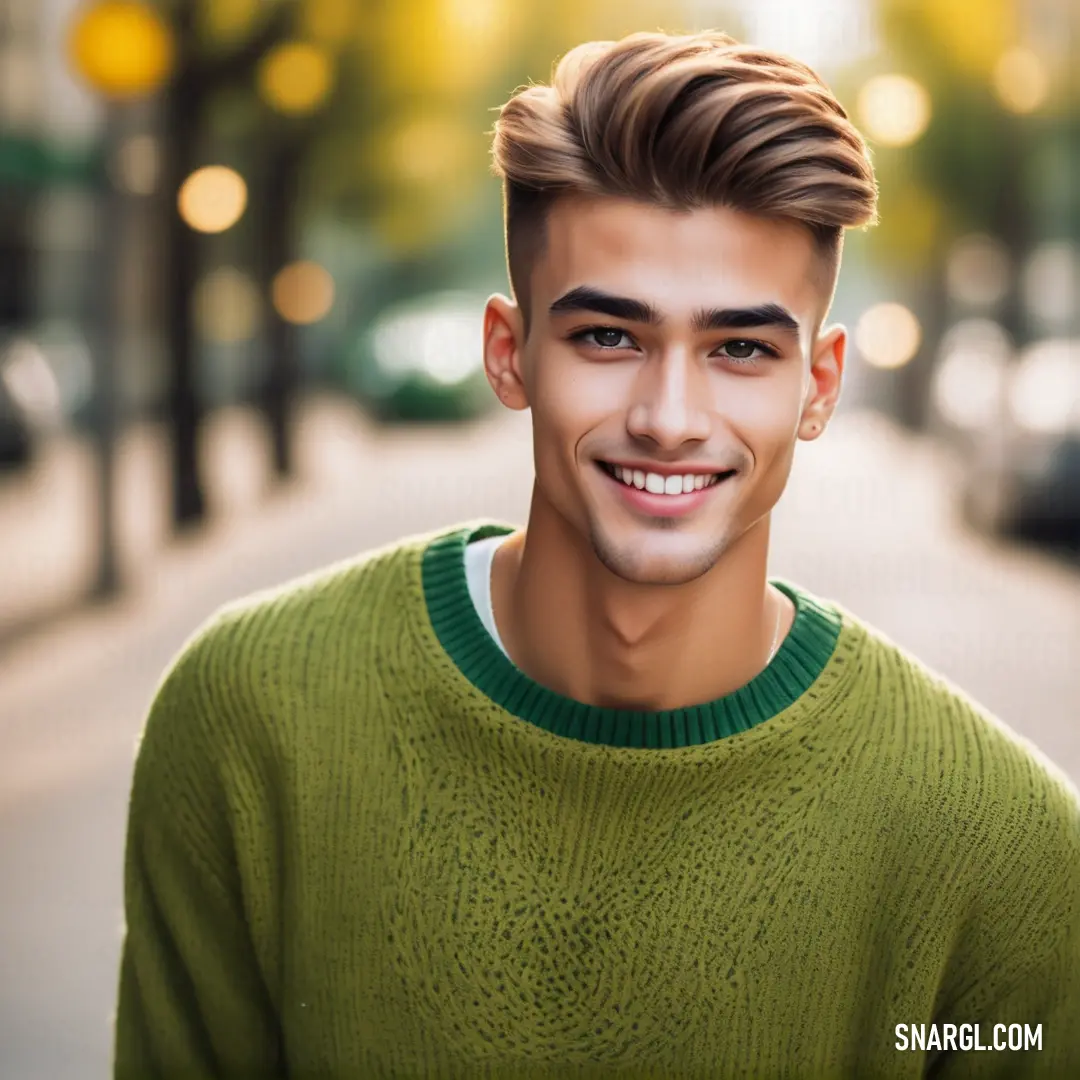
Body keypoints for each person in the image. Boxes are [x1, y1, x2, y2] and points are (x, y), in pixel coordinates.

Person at [113, 29, 1080, 1079]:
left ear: (821, 385)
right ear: (508, 352)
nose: (669, 418)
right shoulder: (251, 721)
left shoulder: (1007, 855)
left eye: (741, 349)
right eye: (609, 337)